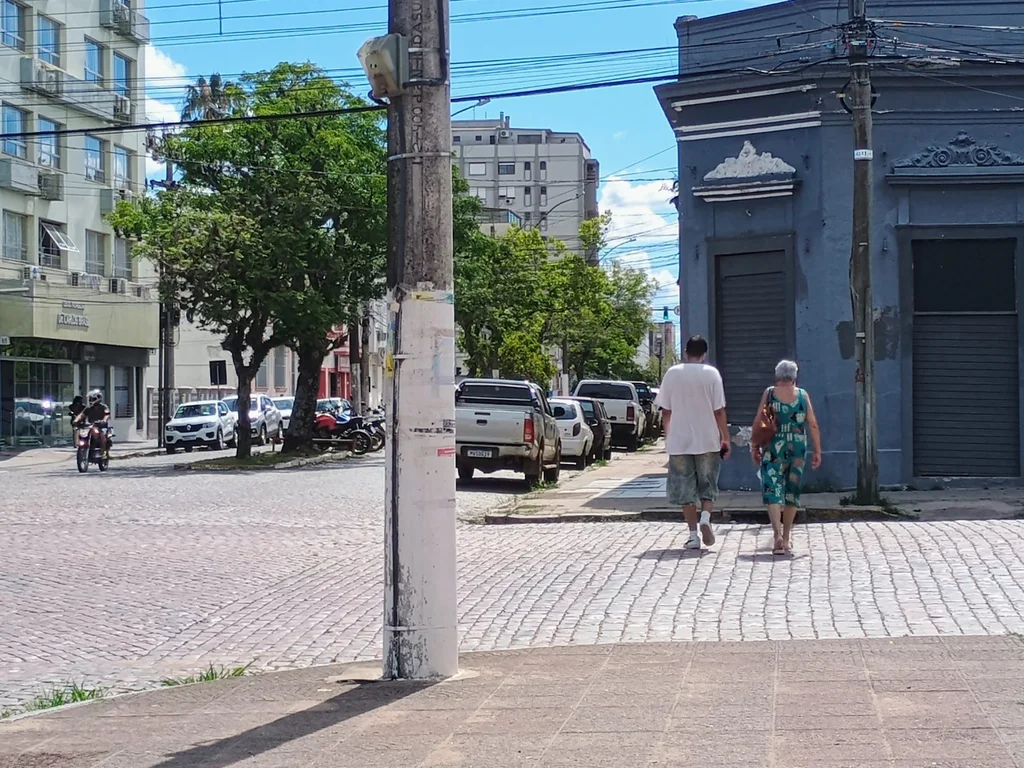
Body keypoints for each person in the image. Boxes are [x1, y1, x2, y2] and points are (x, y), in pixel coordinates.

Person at [654, 335, 731, 551]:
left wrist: (668, 436)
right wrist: (725, 437)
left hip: (680, 441)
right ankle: (705, 517)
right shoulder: (712, 374)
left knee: (684, 489)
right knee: (708, 485)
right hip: (708, 439)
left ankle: (692, 535)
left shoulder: (672, 373)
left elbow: (666, 411)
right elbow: (719, 411)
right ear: (704, 354)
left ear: (686, 352)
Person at [751, 360, 822, 556]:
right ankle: (788, 538)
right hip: (798, 449)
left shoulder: (770, 393)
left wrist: (754, 446)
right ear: (794, 376)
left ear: (777, 376)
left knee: (772, 489)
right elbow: (813, 424)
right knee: (792, 492)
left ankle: (777, 536)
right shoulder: (802, 395)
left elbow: (759, 420)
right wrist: (817, 450)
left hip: (773, 447)